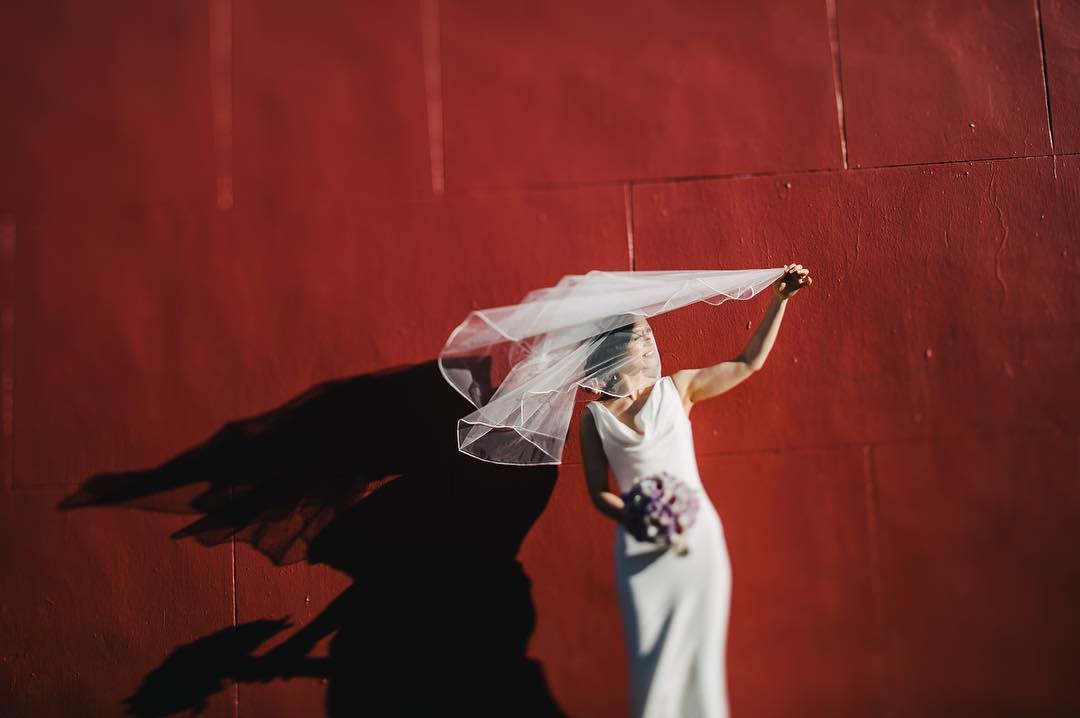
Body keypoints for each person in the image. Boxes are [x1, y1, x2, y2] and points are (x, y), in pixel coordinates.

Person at [578, 263, 812, 718]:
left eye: (648, 335)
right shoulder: (594, 419)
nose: (648, 342)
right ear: (613, 348)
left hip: (697, 541)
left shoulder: (678, 389)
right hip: (640, 552)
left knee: (701, 667)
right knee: (652, 671)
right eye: (638, 336)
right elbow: (596, 492)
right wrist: (633, 516)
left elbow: (748, 363)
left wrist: (779, 300)